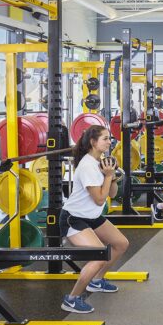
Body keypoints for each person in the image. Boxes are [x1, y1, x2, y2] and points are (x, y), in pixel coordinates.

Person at [59, 125, 130, 314]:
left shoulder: (101, 162)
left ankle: (96, 281)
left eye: (109, 138)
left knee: (121, 244)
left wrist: (112, 177)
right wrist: (107, 176)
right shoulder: (87, 165)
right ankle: (72, 299)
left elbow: (112, 194)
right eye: (105, 139)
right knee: (98, 256)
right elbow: (99, 199)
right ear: (93, 142)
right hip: (73, 219)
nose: (109, 142)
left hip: (92, 216)